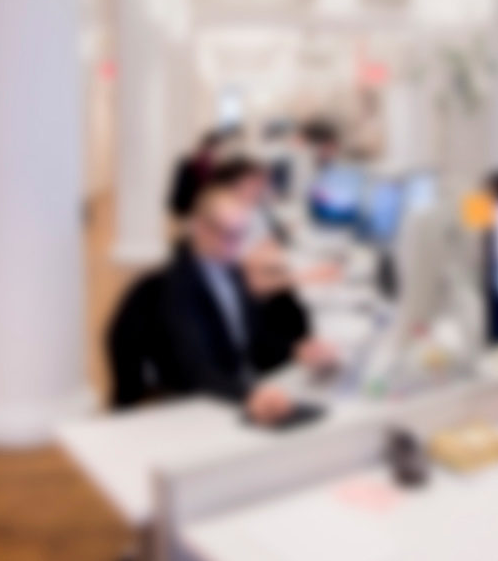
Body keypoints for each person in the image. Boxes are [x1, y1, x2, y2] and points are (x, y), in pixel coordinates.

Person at [107, 179, 336, 424]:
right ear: (199, 227)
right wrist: (248, 394)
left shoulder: (229, 271)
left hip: (231, 388)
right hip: (195, 406)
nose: (236, 245)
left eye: (241, 234)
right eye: (227, 234)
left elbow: (253, 339)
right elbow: (195, 369)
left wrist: (296, 350)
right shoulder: (175, 286)